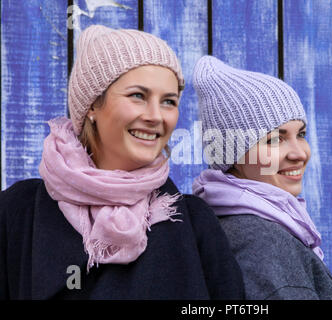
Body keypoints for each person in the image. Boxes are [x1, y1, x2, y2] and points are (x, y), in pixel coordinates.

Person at [0, 26, 244, 300]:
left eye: (168, 101)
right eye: (138, 96)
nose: (155, 116)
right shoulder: (19, 211)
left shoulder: (193, 221)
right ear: (92, 105)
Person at [192, 56, 332, 300]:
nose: (299, 153)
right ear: (232, 154)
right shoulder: (260, 241)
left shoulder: (236, 225)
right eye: (275, 139)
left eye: (301, 134)